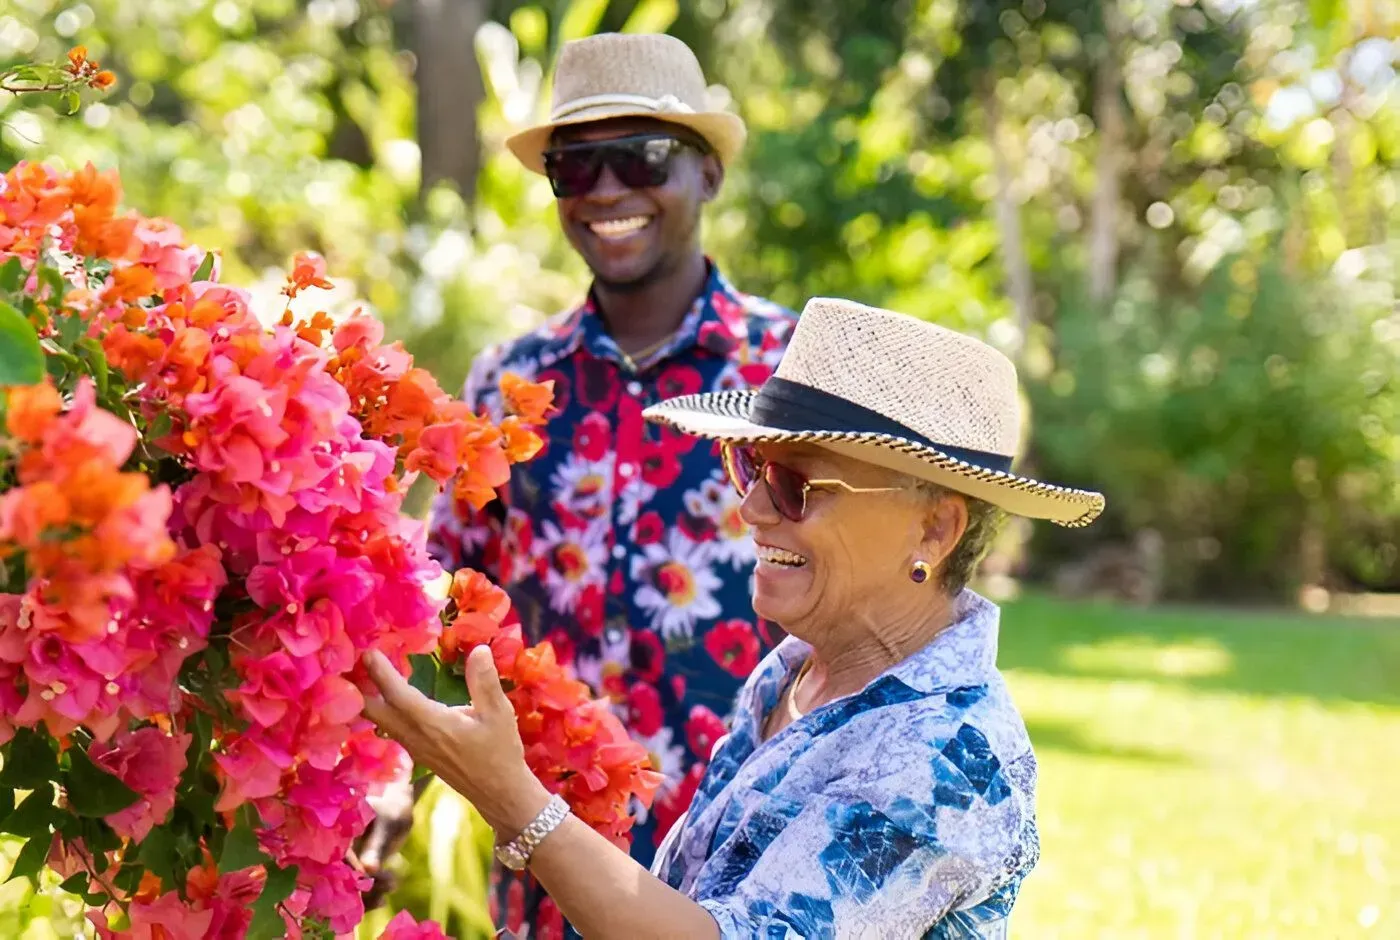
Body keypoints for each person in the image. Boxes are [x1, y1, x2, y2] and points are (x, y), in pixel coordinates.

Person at [362, 297, 1106, 938]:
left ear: (935, 531)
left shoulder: (949, 755)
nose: (749, 508)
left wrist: (513, 797)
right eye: (750, 467)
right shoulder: (801, 671)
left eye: (794, 484)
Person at [356, 31, 797, 934]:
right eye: (575, 168)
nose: (606, 191)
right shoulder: (509, 383)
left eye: (641, 157)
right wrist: (390, 777)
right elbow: (438, 602)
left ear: (708, 175)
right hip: (547, 858)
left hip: (744, 865)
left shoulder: (787, 374)